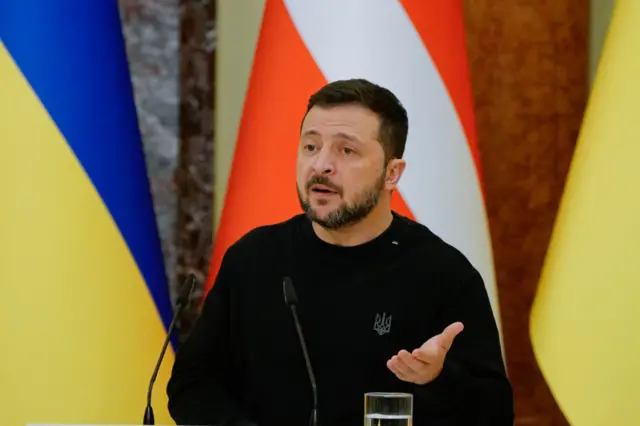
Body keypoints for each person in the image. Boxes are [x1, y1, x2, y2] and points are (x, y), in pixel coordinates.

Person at [166, 78, 514, 426]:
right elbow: (192, 383)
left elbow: (496, 413)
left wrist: (440, 377)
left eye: (346, 151)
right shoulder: (254, 259)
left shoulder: (444, 274)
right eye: (311, 147)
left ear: (392, 173)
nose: (321, 166)